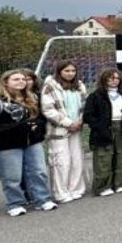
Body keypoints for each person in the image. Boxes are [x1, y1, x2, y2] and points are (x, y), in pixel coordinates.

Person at [0, 69, 57, 216]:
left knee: (39, 171)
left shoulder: (32, 97)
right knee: (12, 176)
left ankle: (42, 199)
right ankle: (15, 203)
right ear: (5, 82)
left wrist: (37, 129)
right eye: (16, 79)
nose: (21, 81)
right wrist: (19, 127)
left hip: (32, 142)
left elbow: (40, 118)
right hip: (6, 145)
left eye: (23, 79)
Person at [40, 61, 88, 203]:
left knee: (76, 159)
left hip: (77, 127)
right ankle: (61, 192)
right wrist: (68, 123)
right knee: (61, 162)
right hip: (59, 130)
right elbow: (48, 109)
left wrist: (80, 120)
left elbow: (85, 105)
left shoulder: (79, 86)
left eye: (73, 70)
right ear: (60, 71)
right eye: (67, 70)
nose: (70, 73)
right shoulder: (50, 87)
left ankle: (76, 189)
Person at [83, 68, 122, 196]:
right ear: (104, 79)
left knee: (120, 156)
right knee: (104, 158)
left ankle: (119, 183)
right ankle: (102, 186)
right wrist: (100, 126)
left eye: (117, 78)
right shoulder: (96, 96)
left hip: (121, 127)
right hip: (104, 129)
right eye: (111, 78)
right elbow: (88, 116)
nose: (114, 80)